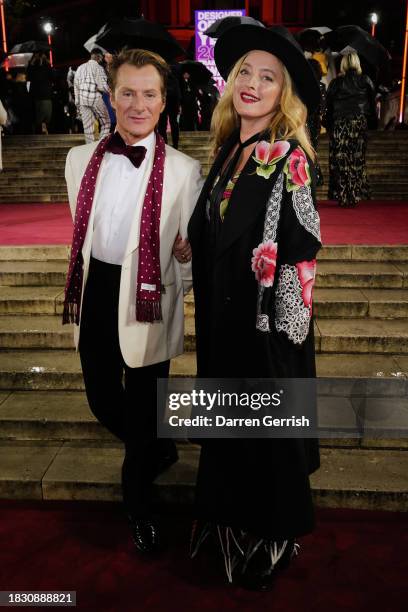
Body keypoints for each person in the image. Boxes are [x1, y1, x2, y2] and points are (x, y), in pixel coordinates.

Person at [185, 23, 322, 591]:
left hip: (264, 334)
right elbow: (217, 227)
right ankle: (229, 528)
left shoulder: (288, 156)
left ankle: (266, 542)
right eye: (245, 72)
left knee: (262, 441)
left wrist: (282, 334)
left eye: (268, 77)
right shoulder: (228, 151)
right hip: (224, 323)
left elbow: (303, 246)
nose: (252, 83)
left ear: (282, 94)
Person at [63, 49, 202, 554]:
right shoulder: (78, 160)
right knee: (102, 398)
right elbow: (82, 233)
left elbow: (188, 247)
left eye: (149, 94)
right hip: (96, 289)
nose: (137, 104)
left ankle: (139, 506)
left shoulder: (186, 170)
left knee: (144, 409)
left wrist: (187, 259)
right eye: (127, 93)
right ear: (111, 96)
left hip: (150, 296)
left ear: (164, 103)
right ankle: (157, 449)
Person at [323, 51, 377, 207]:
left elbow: (329, 106)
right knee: (356, 158)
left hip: (340, 123)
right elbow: (372, 105)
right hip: (359, 122)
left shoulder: (336, 83)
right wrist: (372, 123)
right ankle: (354, 194)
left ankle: (343, 194)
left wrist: (328, 124)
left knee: (341, 159)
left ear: (343, 64)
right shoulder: (365, 80)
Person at [74, 47, 111, 142]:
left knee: (88, 129)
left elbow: (76, 87)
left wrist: (77, 104)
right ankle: (101, 144)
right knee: (106, 122)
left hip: (82, 100)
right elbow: (102, 86)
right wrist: (112, 91)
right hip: (95, 98)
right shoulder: (98, 67)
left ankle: (90, 150)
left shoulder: (80, 68)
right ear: (98, 57)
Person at [307, 58, 326, 186]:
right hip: (315, 122)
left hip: (303, 120)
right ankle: (315, 176)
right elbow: (322, 108)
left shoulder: (301, 85)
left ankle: (308, 177)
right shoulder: (321, 87)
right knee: (312, 149)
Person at [26, 52, 53, 134]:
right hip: (45, 95)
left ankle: (41, 129)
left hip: (38, 96)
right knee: (44, 116)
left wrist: (31, 63)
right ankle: (44, 128)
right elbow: (52, 77)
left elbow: (29, 77)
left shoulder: (34, 66)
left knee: (39, 116)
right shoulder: (46, 66)